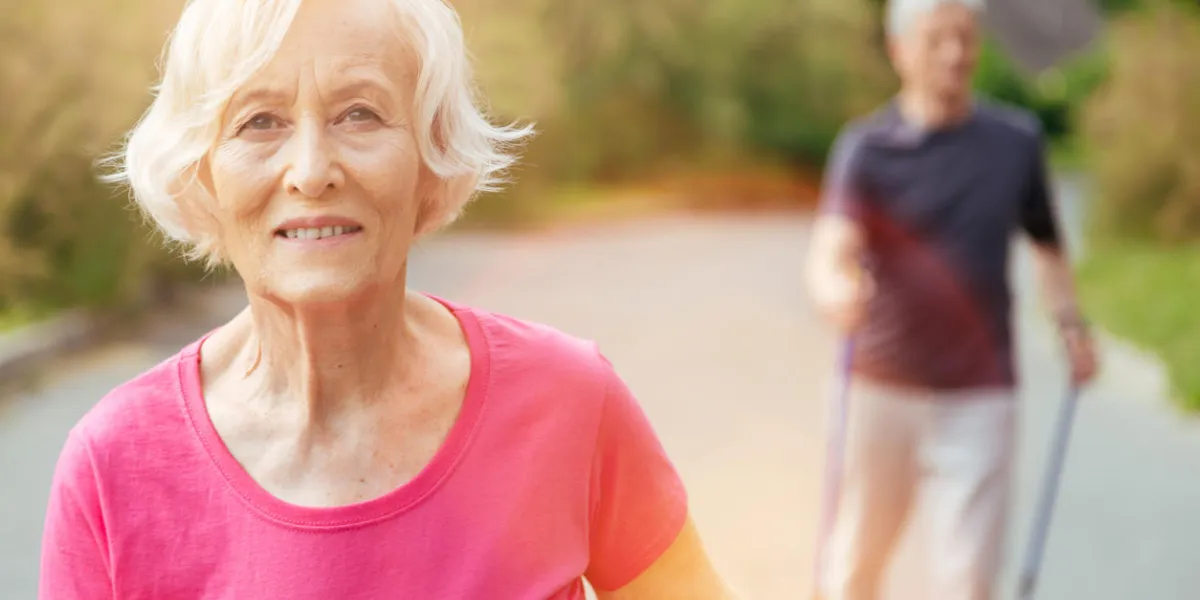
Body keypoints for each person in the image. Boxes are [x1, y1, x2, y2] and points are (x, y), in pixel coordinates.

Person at [38, 1, 740, 598]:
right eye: (260, 121)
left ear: (432, 158)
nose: (312, 171)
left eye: (360, 114)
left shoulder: (570, 401)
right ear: (201, 173)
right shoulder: (113, 466)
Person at [805, 1, 1099, 599]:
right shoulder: (867, 149)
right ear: (899, 51)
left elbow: (1047, 247)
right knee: (854, 566)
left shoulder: (1016, 143)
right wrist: (834, 289)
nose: (955, 53)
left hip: (981, 391)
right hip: (879, 387)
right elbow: (830, 248)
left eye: (965, 38)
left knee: (969, 581)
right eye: (937, 39)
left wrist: (1070, 323)